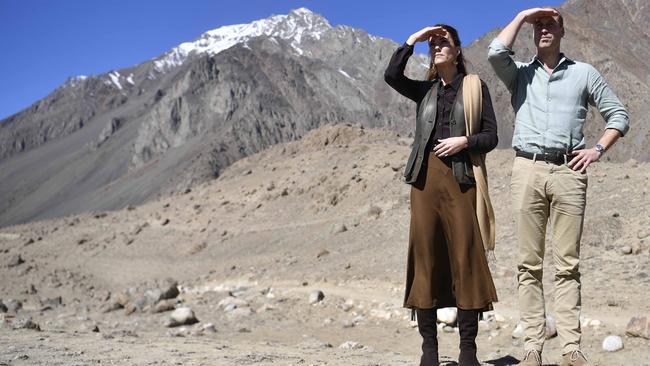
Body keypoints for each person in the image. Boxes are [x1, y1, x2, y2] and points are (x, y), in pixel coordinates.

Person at [487, 7, 630, 366]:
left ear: (563, 32)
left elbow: (619, 115)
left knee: (567, 264)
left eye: (550, 24)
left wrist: (597, 149)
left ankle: (570, 348)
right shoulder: (519, 75)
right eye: (539, 26)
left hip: (569, 170)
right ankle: (532, 347)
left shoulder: (584, 74)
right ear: (532, 34)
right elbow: (494, 52)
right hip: (527, 168)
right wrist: (522, 14)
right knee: (528, 264)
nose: (544, 30)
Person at [384, 24, 499, 366]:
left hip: (461, 178)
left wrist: (465, 141)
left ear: (457, 50)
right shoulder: (425, 91)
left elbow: (491, 136)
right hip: (424, 181)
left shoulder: (475, 87)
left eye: (442, 41)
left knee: (465, 257)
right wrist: (413, 40)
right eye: (431, 44)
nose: (435, 46)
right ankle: (429, 351)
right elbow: (392, 75)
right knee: (426, 259)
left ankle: (468, 352)